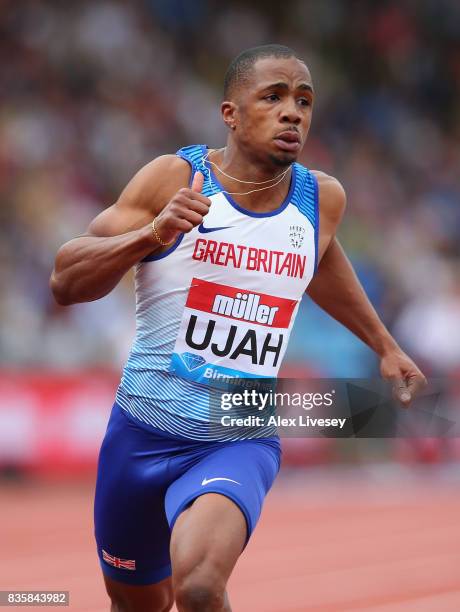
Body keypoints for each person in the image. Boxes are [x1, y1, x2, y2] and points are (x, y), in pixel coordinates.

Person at [50, 45, 426, 612]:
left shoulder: (321, 198)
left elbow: (319, 262)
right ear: (230, 113)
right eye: (272, 97)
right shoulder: (175, 178)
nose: (292, 112)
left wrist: (385, 345)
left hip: (238, 431)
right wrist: (152, 234)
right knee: (135, 603)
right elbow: (65, 281)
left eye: (304, 101)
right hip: (142, 428)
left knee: (200, 587)